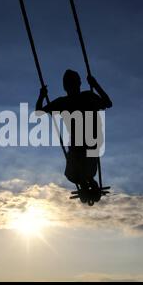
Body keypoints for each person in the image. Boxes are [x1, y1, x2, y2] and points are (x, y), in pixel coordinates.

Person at [35, 69, 112, 199]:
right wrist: (95, 85)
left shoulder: (75, 99)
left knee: (76, 171)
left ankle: (87, 182)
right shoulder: (79, 98)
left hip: (87, 140)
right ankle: (87, 183)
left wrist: (42, 96)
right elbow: (108, 103)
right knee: (75, 172)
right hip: (82, 141)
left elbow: (39, 112)